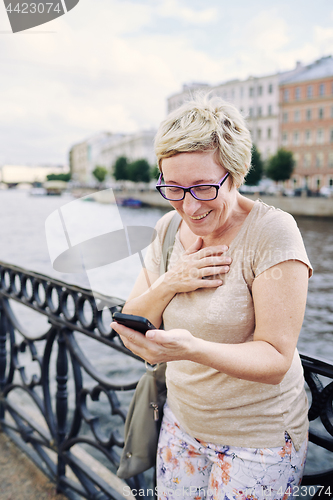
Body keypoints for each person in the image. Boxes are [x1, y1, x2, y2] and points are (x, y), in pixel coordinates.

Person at [111, 94, 312, 500]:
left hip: (258, 441)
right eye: (173, 187)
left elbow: (276, 358)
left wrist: (191, 349)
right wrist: (172, 280)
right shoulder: (168, 227)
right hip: (181, 425)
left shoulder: (272, 233)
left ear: (235, 174)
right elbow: (129, 321)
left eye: (203, 187)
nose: (188, 205)